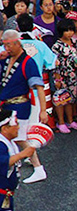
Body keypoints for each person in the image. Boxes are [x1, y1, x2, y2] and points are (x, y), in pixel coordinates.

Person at [0, 30, 48, 184]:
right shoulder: (6, 60)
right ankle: (14, 164)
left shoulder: (28, 62)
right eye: (4, 45)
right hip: (6, 105)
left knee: (20, 138)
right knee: (9, 137)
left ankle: (38, 168)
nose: (6, 48)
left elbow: (39, 87)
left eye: (8, 45)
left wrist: (43, 110)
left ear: (17, 43)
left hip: (20, 105)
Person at [52, 18, 77, 133]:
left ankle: (70, 121)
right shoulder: (57, 46)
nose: (70, 33)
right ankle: (61, 122)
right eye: (67, 30)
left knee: (70, 98)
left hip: (72, 74)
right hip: (61, 75)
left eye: (71, 30)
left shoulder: (75, 43)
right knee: (61, 98)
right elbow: (54, 63)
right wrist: (57, 78)